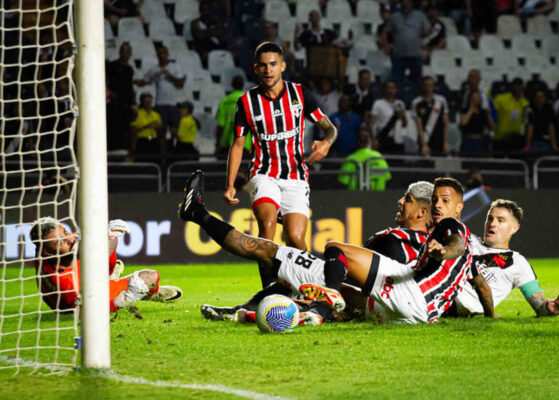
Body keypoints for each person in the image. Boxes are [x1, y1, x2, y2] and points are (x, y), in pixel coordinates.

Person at [180, 172, 490, 324]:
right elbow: (471, 280)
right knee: (290, 273)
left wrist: (444, 253)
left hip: (379, 295)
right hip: (382, 308)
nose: (400, 201)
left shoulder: (409, 239)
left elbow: (456, 246)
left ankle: (197, 214)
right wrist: (487, 315)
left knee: (270, 252)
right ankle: (248, 313)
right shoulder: (432, 250)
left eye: (407, 199)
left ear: (423, 212)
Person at [225, 42, 337, 288]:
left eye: (273, 64)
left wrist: (327, 143)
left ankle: (306, 290)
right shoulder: (246, 102)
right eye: (263, 66)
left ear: (283, 66)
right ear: (256, 69)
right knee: (266, 227)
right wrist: (230, 184)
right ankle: (269, 291)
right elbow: (237, 144)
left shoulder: (300, 94)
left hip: (296, 176)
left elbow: (329, 127)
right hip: (263, 173)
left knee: (296, 238)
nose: (269, 70)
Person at [29, 217, 182, 313]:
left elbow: (102, 246)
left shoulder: (48, 247)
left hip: (82, 278)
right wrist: (126, 298)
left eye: (65, 232)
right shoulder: (65, 284)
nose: (70, 239)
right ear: (48, 253)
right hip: (75, 300)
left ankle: (111, 276)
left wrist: (109, 235)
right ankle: (149, 292)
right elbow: (93, 310)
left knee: (106, 248)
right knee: (149, 277)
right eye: (60, 242)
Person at [452, 200, 559, 318]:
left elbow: (540, 307)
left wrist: (549, 309)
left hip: (455, 305)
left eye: (500, 220)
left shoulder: (518, 263)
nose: (492, 223)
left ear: (514, 228)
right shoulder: (468, 239)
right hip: (440, 289)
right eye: (490, 218)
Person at [381, 0, 431, 98]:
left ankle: (416, 101)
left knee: (417, 82)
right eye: (404, 2)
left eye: (408, 2)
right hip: (398, 56)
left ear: (412, 3)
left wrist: (423, 38)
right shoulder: (394, 16)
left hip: (415, 54)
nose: (406, 4)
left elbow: (428, 30)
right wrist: (386, 45)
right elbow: (386, 31)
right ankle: (397, 101)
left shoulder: (420, 15)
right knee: (397, 82)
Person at [135, 46, 186, 141]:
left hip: (173, 105)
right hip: (160, 105)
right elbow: (144, 81)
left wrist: (168, 75)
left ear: (168, 54)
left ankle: (175, 153)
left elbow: (180, 84)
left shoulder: (175, 67)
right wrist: (135, 81)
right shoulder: (154, 70)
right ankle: (162, 155)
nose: (162, 55)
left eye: (164, 53)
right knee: (160, 133)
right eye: (160, 53)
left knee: (175, 132)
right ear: (157, 56)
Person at [106, 42, 136, 151]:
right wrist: (109, 92)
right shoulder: (111, 66)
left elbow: (129, 87)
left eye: (128, 51)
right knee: (112, 128)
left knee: (125, 130)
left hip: (125, 105)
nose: (125, 54)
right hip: (113, 104)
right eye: (123, 51)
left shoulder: (129, 69)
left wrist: (133, 103)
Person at [368, 80, 412, 154]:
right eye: (388, 88)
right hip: (383, 138)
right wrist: (373, 139)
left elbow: (405, 124)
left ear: (396, 90)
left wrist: (403, 116)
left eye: (392, 88)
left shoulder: (400, 103)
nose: (390, 90)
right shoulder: (378, 103)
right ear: (384, 90)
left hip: (398, 139)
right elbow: (371, 124)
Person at [412, 76, 450, 155]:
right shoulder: (416, 102)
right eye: (426, 85)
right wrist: (424, 145)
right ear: (423, 86)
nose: (428, 87)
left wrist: (446, 143)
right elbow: (419, 126)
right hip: (425, 140)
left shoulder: (441, 101)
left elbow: (446, 124)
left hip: (439, 141)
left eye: (431, 85)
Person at [215, 75, 249, 158]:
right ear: (243, 85)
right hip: (245, 144)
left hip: (227, 145)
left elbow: (220, 125)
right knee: (243, 170)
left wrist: (218, 144)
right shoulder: (249, 100)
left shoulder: (225, 101)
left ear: (232, 85)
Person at [492, 78, 529, 152]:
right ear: (513, 87)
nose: (518, 89)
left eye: (520, 87)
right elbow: (492, 114)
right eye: (517, 86)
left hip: (516, 139)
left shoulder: (525, 103)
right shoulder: (500, 99)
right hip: (500, 139)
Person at [129, 92, 164, 162]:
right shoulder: (137, 113)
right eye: (145, 99)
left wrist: (158, 128)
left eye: (149, 98)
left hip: (154, 142)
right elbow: (133, 130)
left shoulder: (156, 115)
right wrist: (148, 126)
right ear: (142, 100)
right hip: (142, 142)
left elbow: (161, 133)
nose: (148, 101)